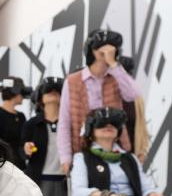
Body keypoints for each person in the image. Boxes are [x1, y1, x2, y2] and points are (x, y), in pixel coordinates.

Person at [58, 29, 139, 175]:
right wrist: (65, 158)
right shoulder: (72, 80)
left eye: (111, 46)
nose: (105, 49)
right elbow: (64, 121)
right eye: (100, 46)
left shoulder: (116, 75)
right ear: (91, 50)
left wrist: (113, 64)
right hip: (82, 148)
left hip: (115, 148)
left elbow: (132, 95)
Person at [23, 77, 66, 196]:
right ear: (40, 98)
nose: (53, 94)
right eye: (48, 91)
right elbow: (21, 149)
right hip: (40, 179)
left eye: (57, 91)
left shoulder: (69, 124)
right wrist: (25, 149)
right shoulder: (32, 124)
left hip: (64, 180)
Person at [0, 77, 29, 169]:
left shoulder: (21, 116)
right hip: (4, 165)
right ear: (15, 91)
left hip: (20, 166)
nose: (23, 96)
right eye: (22, 92)